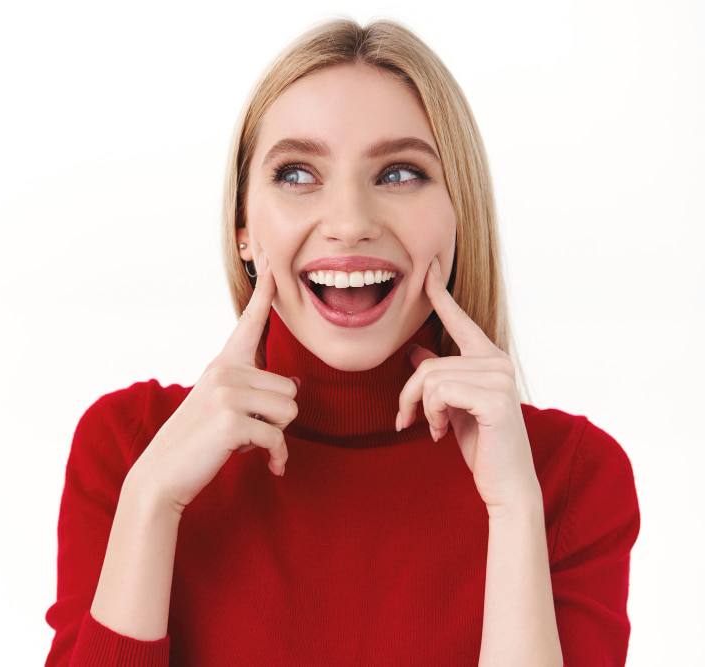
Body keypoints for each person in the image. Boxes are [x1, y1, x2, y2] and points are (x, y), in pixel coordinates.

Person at [45, 18, 639, 666]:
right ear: (245, 227)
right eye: (298, 173)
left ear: (457, 214)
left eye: (400, 173)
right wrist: (152, 499)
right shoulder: (130, 447)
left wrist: (513, 510)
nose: (351, 222)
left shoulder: (570, 476)